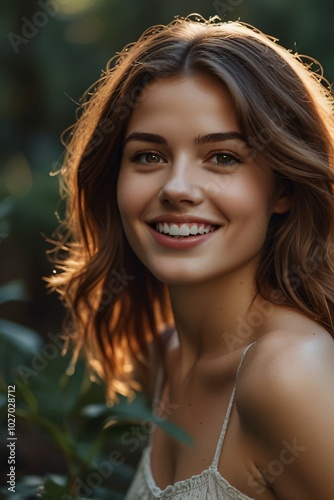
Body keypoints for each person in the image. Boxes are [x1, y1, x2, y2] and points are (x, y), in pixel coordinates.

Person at [49, 14, 334, 499]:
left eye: (223, 157)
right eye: (148, 156)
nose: (177, 188)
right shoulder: (163, 356)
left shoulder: (288, 373)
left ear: (283, 188)